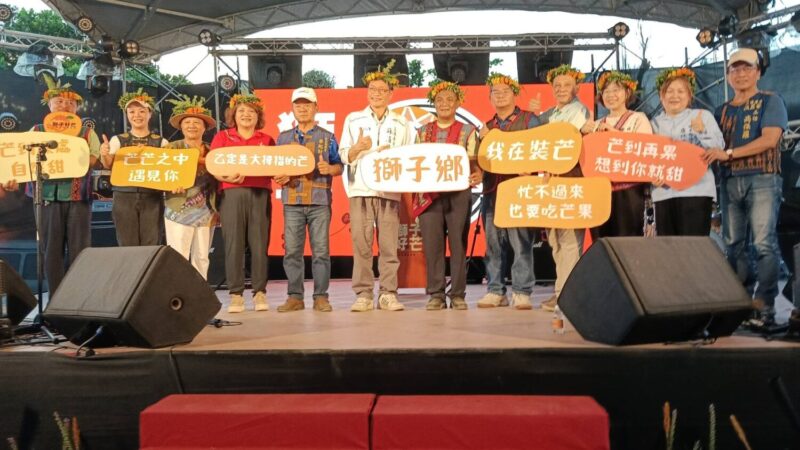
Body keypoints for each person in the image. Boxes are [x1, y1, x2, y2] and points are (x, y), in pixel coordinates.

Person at [703, 48, 788, 325]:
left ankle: (765, 305)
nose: (740, 74)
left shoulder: (771, 100)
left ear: (758, 72)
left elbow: (770, 139)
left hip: (763, 177)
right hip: (729, 181)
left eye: (747, 68)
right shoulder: (721, 110)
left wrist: (727, 154)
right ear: (728, 75)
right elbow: (709, 147)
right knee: (733, 245)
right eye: (735, 69)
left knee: (763, 242)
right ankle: (741, 302)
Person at [1, 80, 100, 294]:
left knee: (80, 249)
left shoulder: (86, 132)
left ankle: (79, 296)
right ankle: (57, 297)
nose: (65, 106)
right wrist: (11, 178)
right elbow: (21, 159)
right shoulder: (36, 131)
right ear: (49, 106)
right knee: (50, 249)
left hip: (78, 198)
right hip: (45, 197)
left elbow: (94, 159)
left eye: (70, 103)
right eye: (59, 101)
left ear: (77, 108)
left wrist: (74, 157)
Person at [339, 59, 414, 312]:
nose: (377, 94)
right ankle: (363, 294)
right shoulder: (353, 119)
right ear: (367, 92)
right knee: (361, 244)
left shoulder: (402, 123)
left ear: (391, 93)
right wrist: (357, 148)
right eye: (373, 90)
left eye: (382, 90)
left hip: (389, 191)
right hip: (360, 189)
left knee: (388, 246)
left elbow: (410, 155)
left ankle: (388, 293)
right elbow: (343, 155)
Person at [274, 87, 343, 312]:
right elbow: (275, 168)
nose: (302, 109)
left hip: (319, 200)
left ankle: (321, 297)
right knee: (292, 251)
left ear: (316, 108)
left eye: (307, 105)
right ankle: (295, 297)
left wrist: (330, 168)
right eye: (298, 105)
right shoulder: (283, 138)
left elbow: (339, 166)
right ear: (292, 109)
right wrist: (280, 176)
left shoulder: (327, 137)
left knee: (321, 252)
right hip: (292, 201)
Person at [477, 73, 541, 310]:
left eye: (505, 91)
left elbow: (541, 149)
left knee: (521, 243)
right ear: (490, 98)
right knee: (493, 244)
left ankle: (522, 291)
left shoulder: (529, 120)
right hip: (492, 191)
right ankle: (495, 291)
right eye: (495, 92)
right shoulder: (486, 127)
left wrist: (532, 169)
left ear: (515, 94)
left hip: (520, 191)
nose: (500, 95)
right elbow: (479, 160)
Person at [415, 80, 481, 310]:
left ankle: (458, 294)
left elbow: (475, 162)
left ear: (458, 103)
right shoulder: (422, 131)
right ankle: (436, 294)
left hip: (458, 193)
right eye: (439, 100)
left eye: (449, 99)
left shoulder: (468, 131)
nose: (444, 104)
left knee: (458, 244)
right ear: (434, 104)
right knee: (432, 246)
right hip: (429, 194)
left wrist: (479, 174)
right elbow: (413, 161)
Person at [210, 92, 275, 313]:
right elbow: (213, 166)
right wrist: (225, 176)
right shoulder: (223, 137)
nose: (246, 115)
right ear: (234, 115)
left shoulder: (267, 140)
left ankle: (259, 292)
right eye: (242, 111)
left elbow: (276, 166)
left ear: (258, 116)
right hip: (231, 194)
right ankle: (236, 294)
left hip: (259, 194)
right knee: (233, 244)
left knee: (259, 244)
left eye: (251, 112)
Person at [533, 65, 590, 312]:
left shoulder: (579, 111)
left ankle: (568, 295)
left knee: (569, 240)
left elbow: (564, 139)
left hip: (570, 178)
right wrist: (535, 116)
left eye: (567, 85)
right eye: (557, 86)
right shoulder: (549, 113)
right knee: (555, 240)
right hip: (550, 181)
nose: (561, 89)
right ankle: (561, 291)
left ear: (577, 88)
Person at [650, 67, 724, 236]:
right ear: (661, 96)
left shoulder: (702, 116)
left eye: (680, 91)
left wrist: (701, 131)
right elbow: (646, 157)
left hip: (696, 191)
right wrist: (651, 177)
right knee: (668, 247)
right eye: (669, 91)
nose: (674, 96)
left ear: (690, 95)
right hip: (663, 194)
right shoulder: (654, 124)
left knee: (694, 246)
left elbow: (718, 148)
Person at [583, 71, 653, 238]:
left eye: (616, 90)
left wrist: (614, 134)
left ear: (627, 92)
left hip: (629, 192)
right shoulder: (596, 124)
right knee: (601, 241)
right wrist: (582, 133)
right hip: (599, 192)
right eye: (606, 91)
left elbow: (645, 150)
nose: (610, 95)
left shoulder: (638, 119)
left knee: (627, 241)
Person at [100, 89, 168, 246]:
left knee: (152, 242)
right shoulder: (118, 140)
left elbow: (167, 169)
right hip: (124, 195)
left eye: (142, 111)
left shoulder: (161, 142)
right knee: (127, 243)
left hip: (152, 196)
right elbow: (108, 164)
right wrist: (104, 153)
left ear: (149, 114)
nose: (137, 115)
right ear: (127, 115)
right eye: (132, 112)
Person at [163, 95, 218, 279]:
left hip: (206, 211)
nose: (192, 126)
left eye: (197, 122)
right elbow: (160, 174)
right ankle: (178, 293)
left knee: (202, 257)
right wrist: (170, 184)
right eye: (187, 122)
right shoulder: (171, 148)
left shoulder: (212, 151)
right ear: (181, 127)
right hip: (178, 208)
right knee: (178, 256)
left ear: (204, 127)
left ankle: (200, 293)